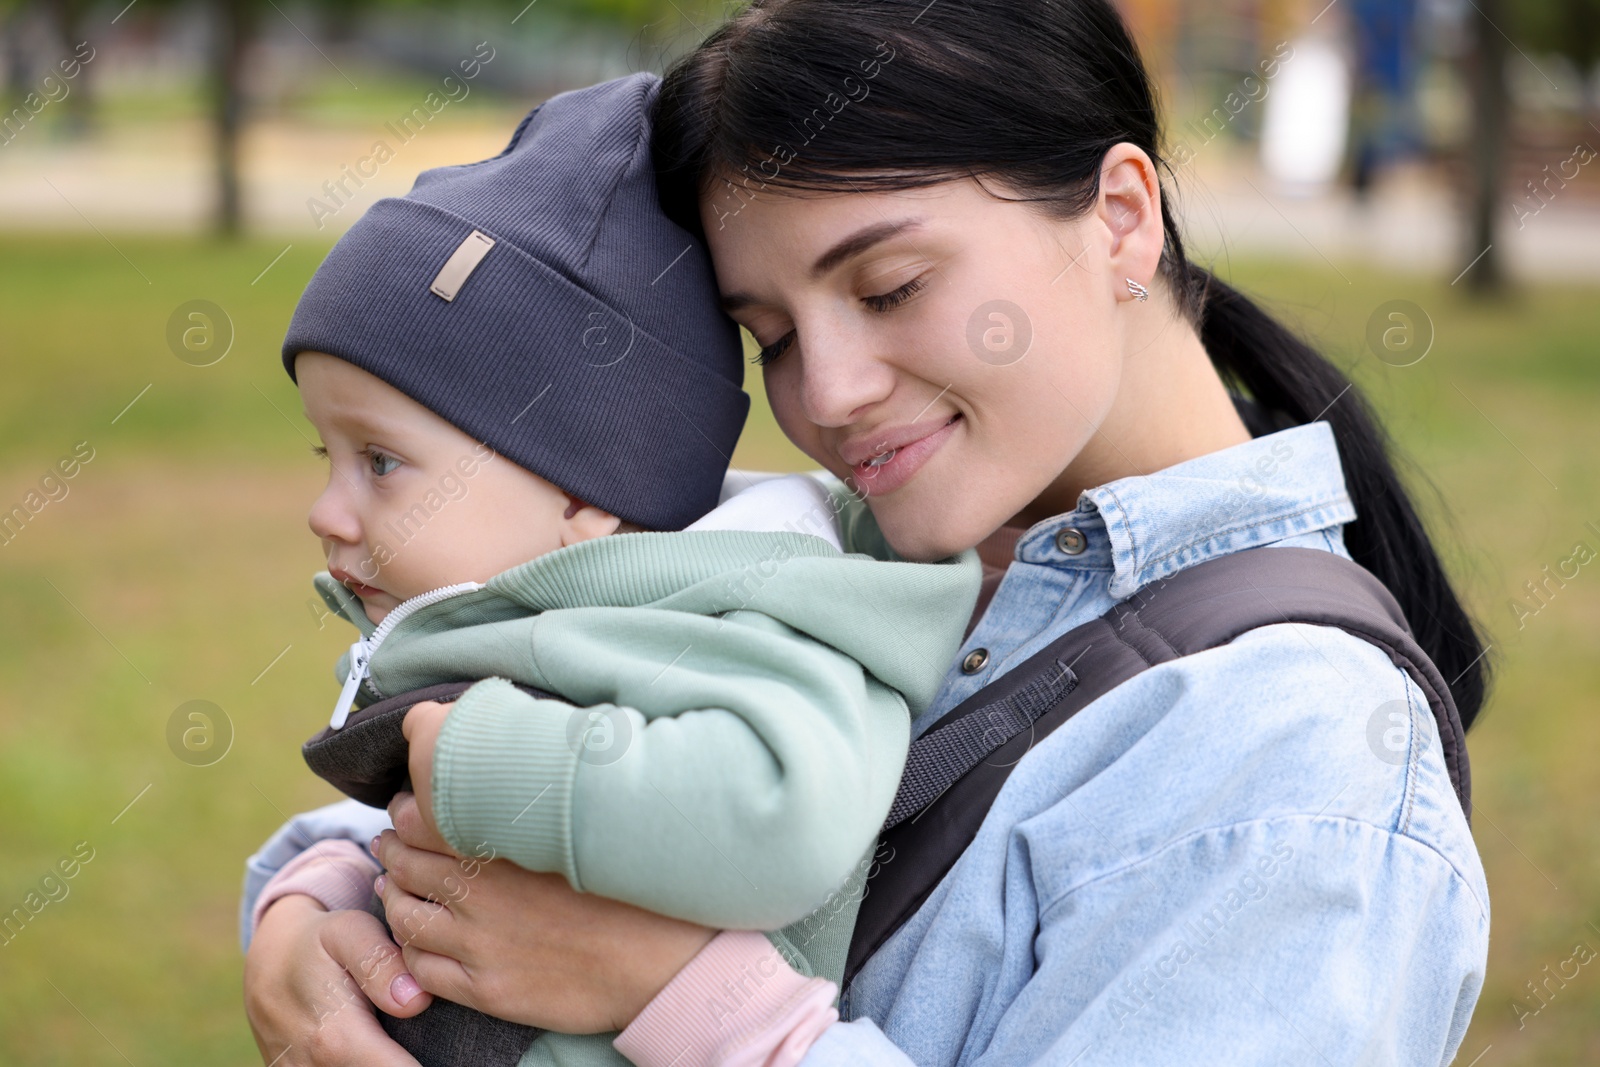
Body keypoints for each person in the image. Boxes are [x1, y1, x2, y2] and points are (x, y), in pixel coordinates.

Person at [245, 1, 1492, 1064]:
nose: (825, 396)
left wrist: (694, 1002)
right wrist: (316, 904)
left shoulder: (1300, 760)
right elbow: (536, 750)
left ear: (1119, 216)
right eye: (771, 335)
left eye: (890, 286)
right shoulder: (851, 555)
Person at [240, 70, 977, 1067]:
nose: (326, 510)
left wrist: (476, 759)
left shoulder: (742, 616)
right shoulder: (518, 606)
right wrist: (321, 881)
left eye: (380, 461)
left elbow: (782, 815)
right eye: (322, 457)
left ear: (585, 495)